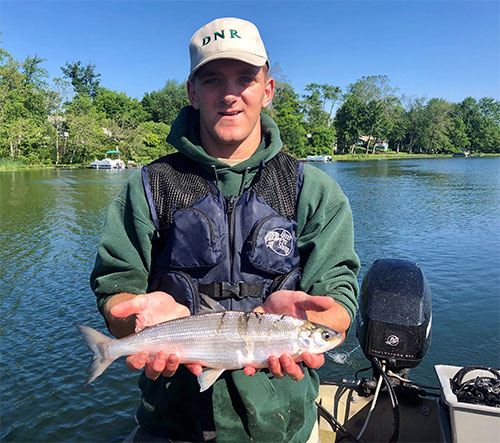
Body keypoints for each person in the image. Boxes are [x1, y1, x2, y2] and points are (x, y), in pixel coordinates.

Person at [90, 17, 359, 443]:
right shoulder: (147, 186)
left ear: (267, 89)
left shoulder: (314, 190)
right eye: (213, 80)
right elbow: (116, 289)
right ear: (192, 93)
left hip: (282, 426)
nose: (230, 95)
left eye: (245, 79)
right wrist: (132, 325)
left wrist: (318, 320)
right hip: (171, 423)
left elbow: (339, 297)